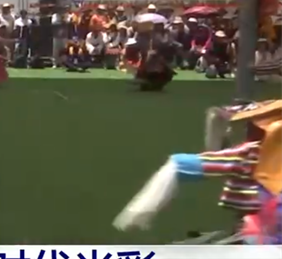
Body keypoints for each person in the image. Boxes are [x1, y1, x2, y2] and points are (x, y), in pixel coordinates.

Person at [114, 100, 281, 242]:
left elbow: (179, 164)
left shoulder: (251, 154)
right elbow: (216, 115)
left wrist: (140, 209)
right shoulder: (254, 153)